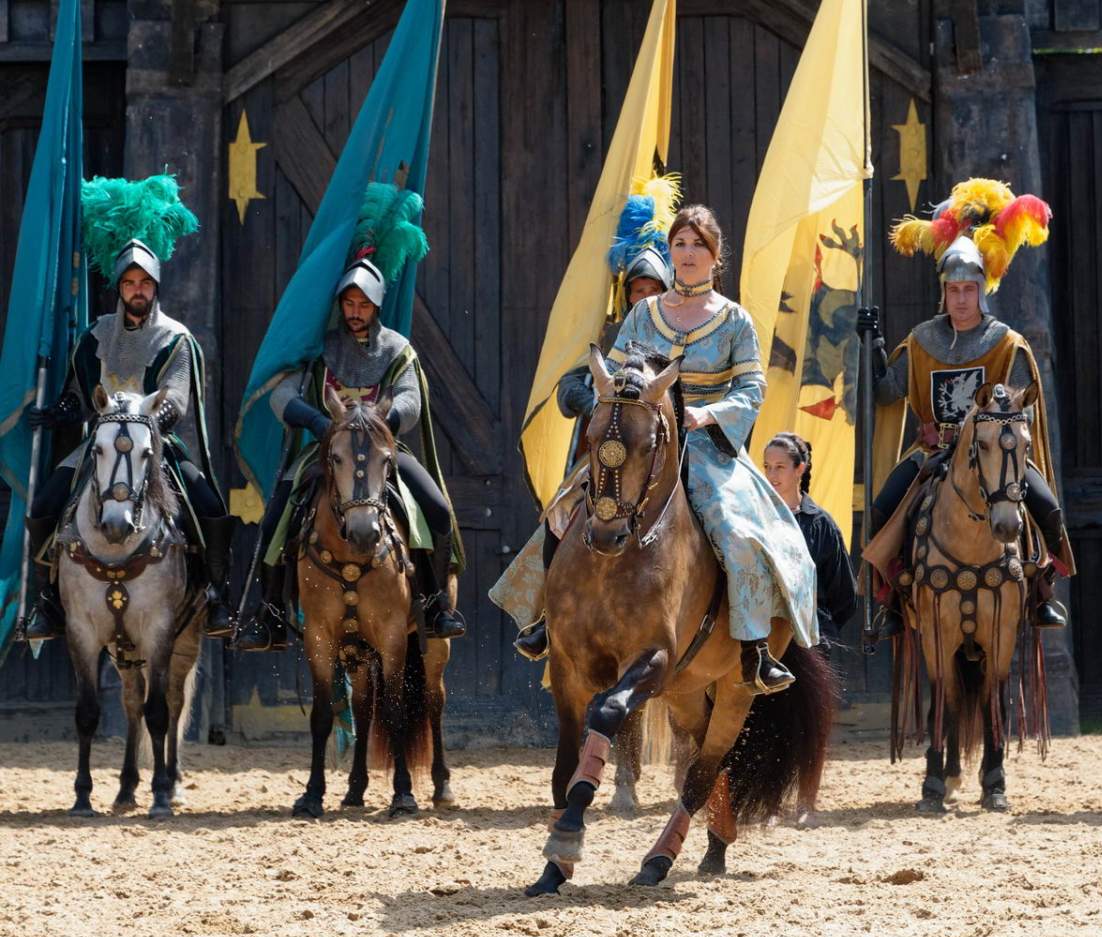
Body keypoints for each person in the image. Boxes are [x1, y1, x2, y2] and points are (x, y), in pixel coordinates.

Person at [494, 204, 818, 695]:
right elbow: (613, 374)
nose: (688, 254)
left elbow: (752, 388)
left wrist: (709, 414)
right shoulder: (643, 314)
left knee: (737, 533)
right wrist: (609, 401)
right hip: (639, 444)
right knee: (565, 509)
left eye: (698, 246)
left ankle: (754, 648)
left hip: (706, 447)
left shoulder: (735, 320)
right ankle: (544, 617)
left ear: (715, 256)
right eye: (679, 244)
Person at [866, 179, 1074, 639]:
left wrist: (994, 432)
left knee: (1047, 508)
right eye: (953, 289)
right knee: (881, 510)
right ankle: (893, 597)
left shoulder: (1006, 345)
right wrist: (873, 346)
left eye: (968, 289)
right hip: (933, 452)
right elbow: (884, 394)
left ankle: (1042, 590)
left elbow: (1022, 412)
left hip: (995, 455)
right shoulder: (922, 341)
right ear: (944, 291)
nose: (960, 299)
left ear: (982, 290)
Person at [234, 254, 465, 651]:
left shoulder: (397, 349)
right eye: (349, 304)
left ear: (377, 307)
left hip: (380, 452)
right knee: (276, 516)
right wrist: (316, 421)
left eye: (364, 305)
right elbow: (282, 395)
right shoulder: (319, 349)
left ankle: (434, 603)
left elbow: (410, 399)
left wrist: (382, 424)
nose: (356, 313)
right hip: (329, 452)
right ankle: (269, 612)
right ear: (340, 305)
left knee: (437, 509)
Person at [24, 226, 233, 642]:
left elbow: (176, 398)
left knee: (209, 505)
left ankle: (216, 596)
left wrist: (151, 422)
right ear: (120, 289)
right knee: (45, 502)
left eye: (144, 282)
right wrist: (57, 412)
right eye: (130, 283)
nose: (138, 290)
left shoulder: (175, 339)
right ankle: (47, 601)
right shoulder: (95, 336)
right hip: (99, 443)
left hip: (154, 442)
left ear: (155, 287)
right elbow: (79, 394)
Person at [512, 246, 672, 661]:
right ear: (626, 294)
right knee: (560, 516)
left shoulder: (679, 332)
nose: (644, 297)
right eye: (637, 290)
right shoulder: (608, 336)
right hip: (607, 457)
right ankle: (546, 617)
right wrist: (602, 407)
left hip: (661, 453)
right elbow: (568, 389)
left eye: (653, 289)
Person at [763, 432, 856, 652]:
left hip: (811, 641)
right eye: (767, 466)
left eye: (780, 467)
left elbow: (844, 594)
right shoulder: (756, 518)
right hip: (764, 640)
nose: (771, 475)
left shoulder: (821, 525)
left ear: (799, 469)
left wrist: (821, 630)